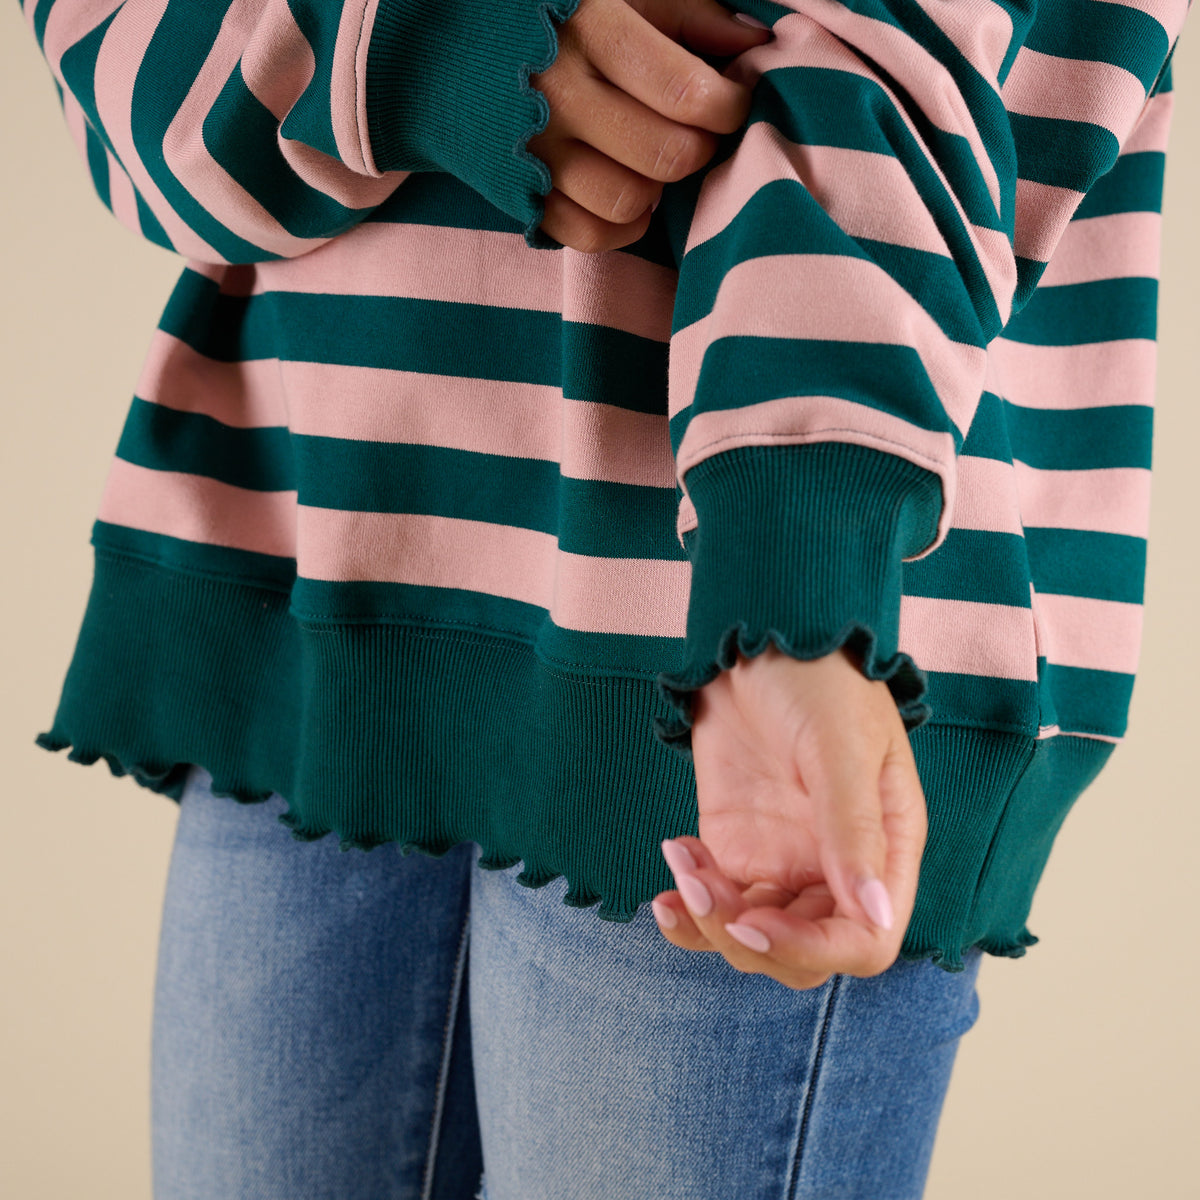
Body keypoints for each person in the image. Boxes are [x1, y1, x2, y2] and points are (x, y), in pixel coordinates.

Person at [19, 0, 1188, 1196]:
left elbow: (885, 67)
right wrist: (410, 44)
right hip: (307, 567)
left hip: (722, 641)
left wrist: (792, 585)